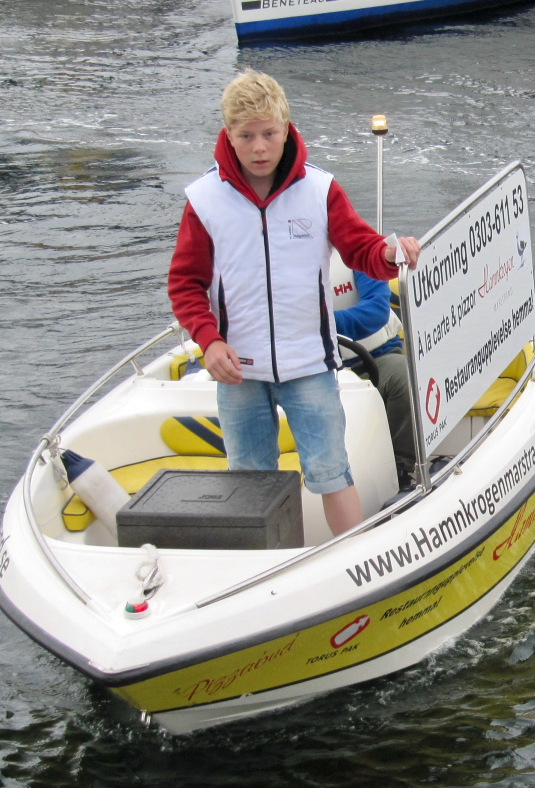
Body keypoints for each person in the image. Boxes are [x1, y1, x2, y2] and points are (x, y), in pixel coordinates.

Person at [167, 69, 420, 536]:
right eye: (247, 136)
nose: (260, 147)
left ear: (286, 129)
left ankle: (349, 561)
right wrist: (209, 340)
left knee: (330, 471)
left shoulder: (320, 190)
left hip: (310, 366)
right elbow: (185, 283)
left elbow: (361, 249)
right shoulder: (203, 201)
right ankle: (263, 579)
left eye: (269, 134)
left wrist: (388, 252)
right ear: (229, 135)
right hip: (237, 371)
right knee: (249, 480)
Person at [335, 270, 414, 486]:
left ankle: (402, 471)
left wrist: (321, 323)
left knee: (405, 379)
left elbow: (376, 309)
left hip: (378, 358)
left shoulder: (357, 250)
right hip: (317, 370)